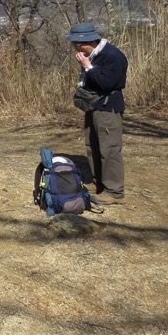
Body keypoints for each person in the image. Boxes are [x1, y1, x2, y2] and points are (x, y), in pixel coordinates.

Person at [65, 22, 128, 204]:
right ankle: (98, 182)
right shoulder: (94, 54)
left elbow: (108, 83)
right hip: (93, 106)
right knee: (92, 145)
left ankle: (114, 191)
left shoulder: (112, 56)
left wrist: (88, 67)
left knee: (109, 149)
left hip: (108, 108)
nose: (73, 47)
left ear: (81, 43)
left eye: (74, 43)